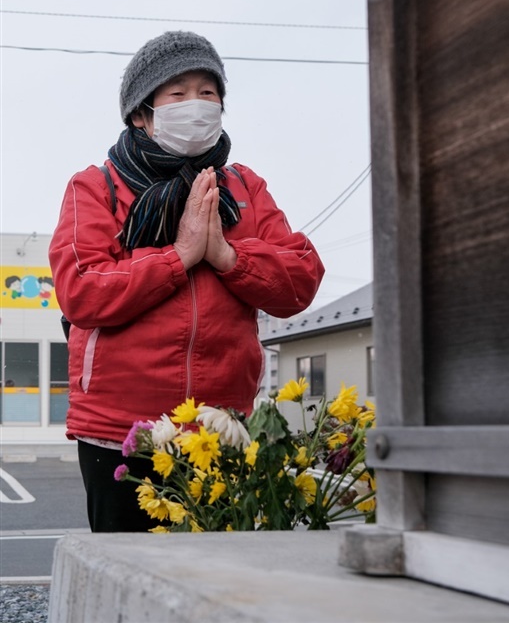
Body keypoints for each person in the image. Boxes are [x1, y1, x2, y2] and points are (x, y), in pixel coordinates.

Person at [49, 31, 324, 532]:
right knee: (126, 577)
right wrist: (178, 258)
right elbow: (83, 290)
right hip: (120, 431)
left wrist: (226, 254)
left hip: (221, 427)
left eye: (207, 91)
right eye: (177, 94)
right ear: (141, 112)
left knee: (215, 585)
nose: (195, 104)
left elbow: (300, 279)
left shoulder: (242, 186)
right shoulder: (96, 186)